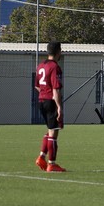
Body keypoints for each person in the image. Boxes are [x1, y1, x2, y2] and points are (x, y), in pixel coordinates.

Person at [35, 41, 66, 172]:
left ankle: (41, 157)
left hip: (41, 101)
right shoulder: (55, 67)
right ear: (58, 51)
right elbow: (55, 88)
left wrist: (44, 93)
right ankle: (51, 164)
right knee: (54, 132)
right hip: (50, 102)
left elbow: (37, 86)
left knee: (50, 130)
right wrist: (59, 107)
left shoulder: (41, 66)